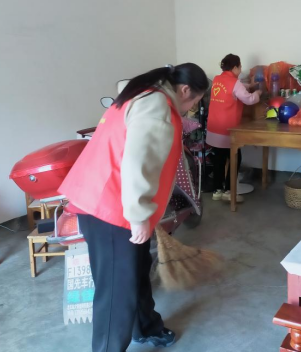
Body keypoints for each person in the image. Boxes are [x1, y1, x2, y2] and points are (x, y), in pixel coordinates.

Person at [59, 63, 209, 352]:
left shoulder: (142, 94)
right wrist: (139, 216)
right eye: (194, 102)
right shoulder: (156, 105)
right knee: (116, 290)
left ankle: (145, 326)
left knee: (137, 269)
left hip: (111, 200)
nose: (191, 109)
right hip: (109, 208)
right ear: (185, 90)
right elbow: (138, 163)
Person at [207, 54, 261, 202]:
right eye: (240, 66)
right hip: (227, 129)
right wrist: (257, 93)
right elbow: (248, 99)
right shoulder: (234, 83)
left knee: (219, 159)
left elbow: (232, 89)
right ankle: (229, 191)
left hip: (214, 127)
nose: (241, 69)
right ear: (235, 67)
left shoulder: (217, 79)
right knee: (235, 157)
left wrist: (249, 86)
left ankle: (217, 191)